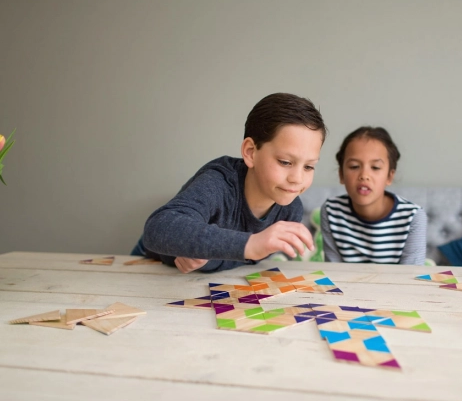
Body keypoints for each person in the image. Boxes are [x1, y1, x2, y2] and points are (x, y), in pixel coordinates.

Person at [133, 93, 326, 273]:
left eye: (309, 167)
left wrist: (207, 257)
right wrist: (250, 244)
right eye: (285, 162)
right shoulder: (218, 183)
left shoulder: (290, 211)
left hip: (200, 280)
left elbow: (240, 261)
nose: (297, 178)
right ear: (250, 152)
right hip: (146, 265)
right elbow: (157, 228)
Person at [321, 126, 426, 265]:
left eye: (375, 167)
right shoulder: (330, 211)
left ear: (390, 176)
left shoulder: (413, 217)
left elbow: (410, 277)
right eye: (354, 166)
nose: (364, 176)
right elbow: (334, 273)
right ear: (341, 174)